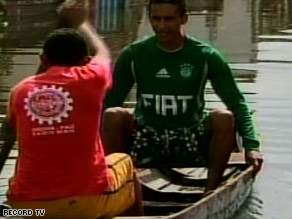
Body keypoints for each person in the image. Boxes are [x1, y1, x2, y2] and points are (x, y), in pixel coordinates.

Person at [0, 0, 142, 218]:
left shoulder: (20, 92)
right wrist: (82, 22)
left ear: (43, 59)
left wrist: (66, 21)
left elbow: (8, 133)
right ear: (84, 61)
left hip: (27, 209)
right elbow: (103, 54)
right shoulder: (90, 79)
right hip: (84, 205)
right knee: (126, 164)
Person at [103, 0, 263, 192]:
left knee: (224, 117)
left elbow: (237, 103)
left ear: (184, 19)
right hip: (147, 137)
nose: (162, 26)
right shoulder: (134, 54)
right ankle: (120, 189)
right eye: (156, 19)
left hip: (190, 137)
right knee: (112, 115)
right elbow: (108, 103)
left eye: (169, 19)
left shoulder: (206, 56)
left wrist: (252, 145)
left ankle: (210, 192)